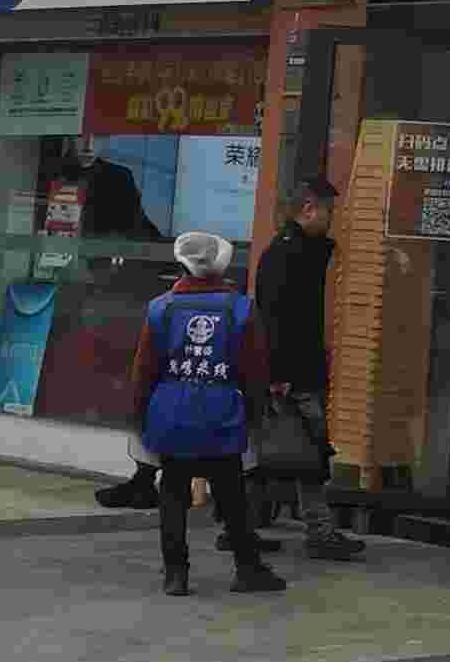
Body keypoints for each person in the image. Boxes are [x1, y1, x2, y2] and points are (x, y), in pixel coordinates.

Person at [127, 229, 282, 598]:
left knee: (173, 493)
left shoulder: (160, 308)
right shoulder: (241, 308)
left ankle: (175, 574)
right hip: (221, 414)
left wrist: (138, 415)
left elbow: (144, 370)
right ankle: (247, 569)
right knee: (231, 494)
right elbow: (255, 371)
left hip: (171, 413)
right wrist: (256, 415)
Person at [224, 174, 365, 564]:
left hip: (294, 371)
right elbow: (275, 320)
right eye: (329, 212)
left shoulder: (296, 249)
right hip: (293, 374)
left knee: (274, 452)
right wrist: (279, 375)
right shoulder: (286, 255)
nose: (333, 220)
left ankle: (239, 528)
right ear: (308, 209)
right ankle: (317, 532)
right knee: (307, 454)